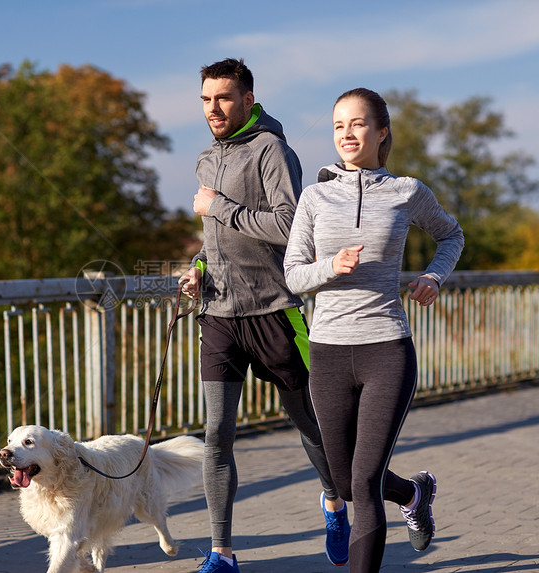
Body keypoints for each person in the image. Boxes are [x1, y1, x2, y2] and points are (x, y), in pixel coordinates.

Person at [283, 87, 465, 572]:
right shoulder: (315, 197)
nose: (347, 133)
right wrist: (330, 267)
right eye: (339, 124)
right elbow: (293, 275)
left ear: (381, 133)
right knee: (343, 483)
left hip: (386, 346)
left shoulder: (407, 191)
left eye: (358, 124)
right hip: (328, 351)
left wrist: (433, 275)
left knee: (363, 483)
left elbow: (451, 234)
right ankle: (413, 492)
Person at [180, 58, 350, 573]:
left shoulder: (271, 150)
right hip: (218, 316)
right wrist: (197, 269)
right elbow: (216, 242)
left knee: (310, 425)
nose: (214, 108)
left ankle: (334, 502)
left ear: (248, 100)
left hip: (275, 312)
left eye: (224, 98)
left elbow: (289, 226)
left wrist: (219, 207)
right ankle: (222, 551)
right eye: (207, 98)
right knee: (217, 435)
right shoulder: (206, 158)